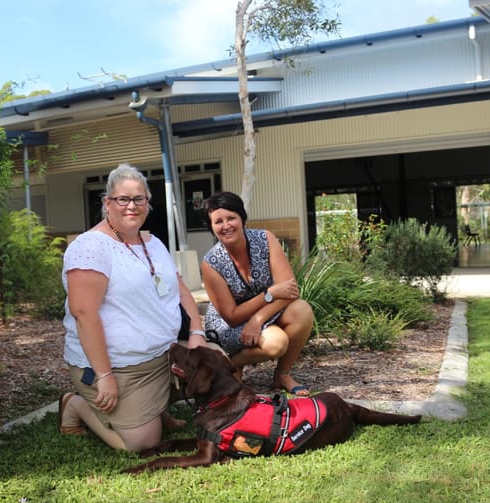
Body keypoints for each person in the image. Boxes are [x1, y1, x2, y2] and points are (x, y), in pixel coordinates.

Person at [57, 163, 208, 451]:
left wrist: (197, 332)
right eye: (122, 199)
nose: (131, 206)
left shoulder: (153, 242)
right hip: (120, 368)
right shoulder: (91, 247)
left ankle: (156, 409)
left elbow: (179, 289)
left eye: (139, 199)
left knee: (218, 360)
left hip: (165, 356)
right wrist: (105, 376)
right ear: (107, 203)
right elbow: (83, 314)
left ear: (148, 203)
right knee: (140, 443)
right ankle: (76, 406)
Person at [201, 191, 314, 396]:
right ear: (211, 227)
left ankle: (282, 375)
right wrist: (269, 293)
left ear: (242, 218)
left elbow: (289, 290)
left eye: (231, 218)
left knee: (302, 311)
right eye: (218, 221)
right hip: (227, 325)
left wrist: (258, 319)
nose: (226, 226)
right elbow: (232, 316)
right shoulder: (211, 263)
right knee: (276, 343)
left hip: (264, 312)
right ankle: (232, 363)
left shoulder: (265, 239)